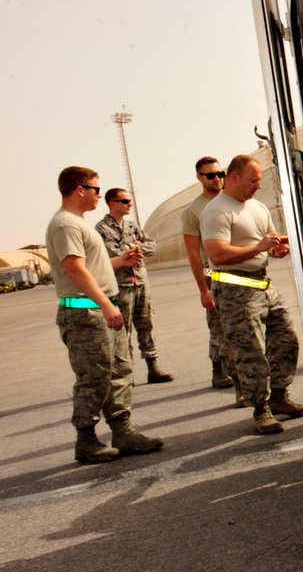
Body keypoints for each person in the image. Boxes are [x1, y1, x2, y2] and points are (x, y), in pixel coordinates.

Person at [45, 166, 165, 463]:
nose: (100, 194)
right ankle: (85, 439)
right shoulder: (66, 225)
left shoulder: (78, 223)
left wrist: (119, 261)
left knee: (119, 372)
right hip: (85, 313)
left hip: (97, 309)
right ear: (79, 189)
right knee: (94, 377)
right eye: (96, 189)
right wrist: (107, 305)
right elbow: (75, 269)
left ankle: (122, 431)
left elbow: (92, 267)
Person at [201, 155, 303, 434]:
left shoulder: (258, 207)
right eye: (253, 180)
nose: (257, 186)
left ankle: (279, 396)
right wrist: (260, 247)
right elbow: (217, 253)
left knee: (286, 339)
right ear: (234, 177)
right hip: (235, 289)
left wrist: (276, 249)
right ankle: (260, 409)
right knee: (251, 352)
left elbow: (269, 243)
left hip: (263, 285)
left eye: (260, 180)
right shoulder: (217, 211)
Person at [95, 188, 174, 384]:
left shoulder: (132, 226)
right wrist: (133, 248)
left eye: (129, 201)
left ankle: (153, 367)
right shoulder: (102, 229)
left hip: (141, 282)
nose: (129, 204)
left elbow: (152, 246)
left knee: (146, 325)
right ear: (112, 203)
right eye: (125, 201)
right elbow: (113, 253)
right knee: (123, 331)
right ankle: (126, 372)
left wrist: (132, 248)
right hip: (121, 286)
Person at [181, 156, 240, 396]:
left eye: (220, 174)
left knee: (239, 328)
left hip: (240, 272)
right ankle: (227, 374)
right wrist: (203, 290)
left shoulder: (234, 201)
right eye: (210, 175)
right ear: (199, 178)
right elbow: (194, 255)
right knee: (221, 328)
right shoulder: (193, 211)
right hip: (213, 275)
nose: (217, 179)